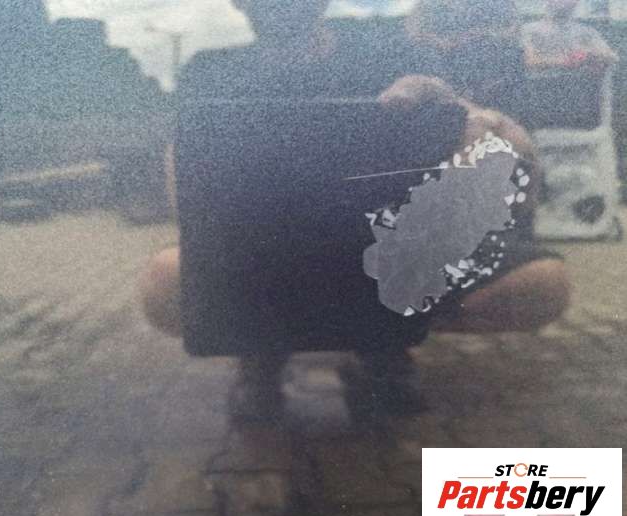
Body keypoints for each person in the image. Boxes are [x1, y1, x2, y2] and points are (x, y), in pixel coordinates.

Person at [140, 1, 570, 424]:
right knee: (164, 282)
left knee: (542, 284)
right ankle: (271, 348)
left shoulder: (390, 55)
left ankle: (376, 339)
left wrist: (461, 117)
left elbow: (493, 144)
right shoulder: (209, 71)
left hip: (398, 249)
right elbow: (186, 175)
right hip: (265, 252)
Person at [404, 0, 528, 122]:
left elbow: (513, 26)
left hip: (493, 65)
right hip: (446, 65)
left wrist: (487, 36)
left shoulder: (498, 7)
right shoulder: (429, 7)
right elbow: (415, 30)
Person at [522, 0, 618, 74]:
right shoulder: (529, 30)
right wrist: (566, 61)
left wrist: (588, 55)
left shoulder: (586, 32)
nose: (564, 2)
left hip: (584, 88)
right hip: (542, 88)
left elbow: (612, 57)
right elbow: (529, 61)